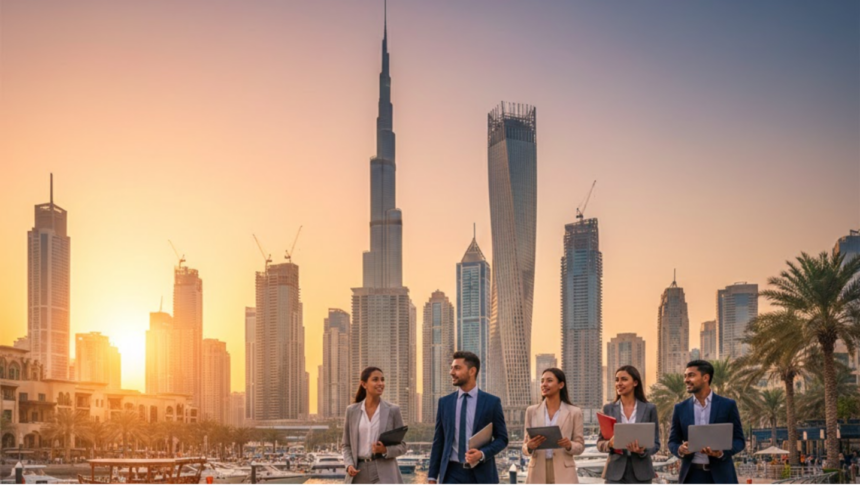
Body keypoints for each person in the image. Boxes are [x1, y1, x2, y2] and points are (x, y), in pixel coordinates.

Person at [427, 351, 508, 484]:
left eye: (457, 368)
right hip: (450, 474)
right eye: (452, 368)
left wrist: (482, 454)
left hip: (482, 474)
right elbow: (439, 441)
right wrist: (432, 476)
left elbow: (502, 439)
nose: (451, 372)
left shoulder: (492, 402)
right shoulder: (444, 403)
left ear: (472, 371)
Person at [668, 360, 745, 484]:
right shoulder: (680, 408)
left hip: (722, 477)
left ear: (705, 377)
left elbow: (739, 441)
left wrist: (721, 452)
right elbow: (672, 441)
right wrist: (680, 449)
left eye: (691, 375)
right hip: (691, 476)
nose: (686, 380)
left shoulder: (727, 405)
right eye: (685, 376)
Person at [342, 366, 407, 484]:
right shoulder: (351, 411)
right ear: (364, 384)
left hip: (384, 472)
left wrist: (385, 450)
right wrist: (349, 465)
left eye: (382, 380)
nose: (380, 383)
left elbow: (402, 446)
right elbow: (346, 445)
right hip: (358, 472)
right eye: (375, 379)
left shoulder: (393, 410)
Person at [596, 365, 660, 483]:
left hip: (642, 473)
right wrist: (609, 444)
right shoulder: (608, 409)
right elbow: (600, 444)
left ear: (635, 382)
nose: (619, 383)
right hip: (615, 473)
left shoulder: (649, 408)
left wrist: (642, 450)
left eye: (624, 379)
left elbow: (656, 444)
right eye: (617, 380)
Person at [522, 367, 585, 484]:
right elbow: (524, 447)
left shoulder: (574, 412)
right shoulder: (531, 411)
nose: (544, 384)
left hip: (564, 473)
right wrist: (530, 446)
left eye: (549, 381)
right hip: (537, 472)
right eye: (542, 381)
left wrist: (569, 445)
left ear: (561, 385)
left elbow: (580, 446)